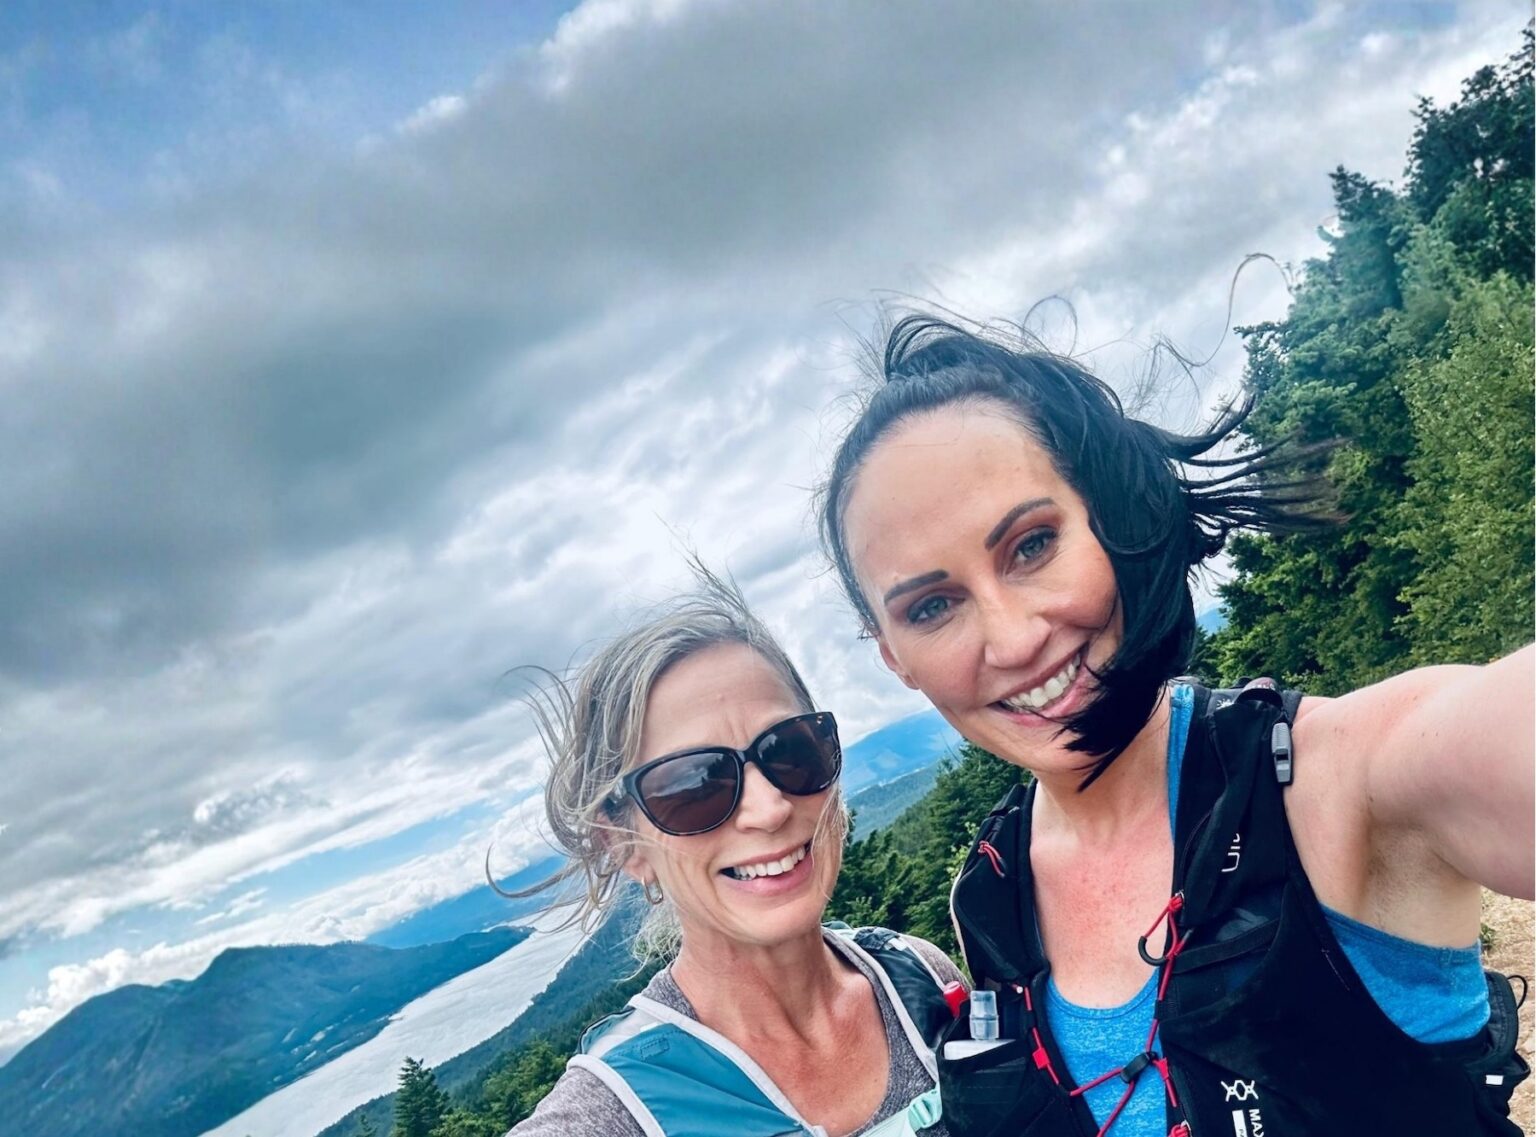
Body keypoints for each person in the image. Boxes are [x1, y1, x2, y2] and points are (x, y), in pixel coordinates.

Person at [816, 314, 1534, 1137]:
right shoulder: (990, 895)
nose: (1011, 640)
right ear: (894, 656)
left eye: (1033, 544)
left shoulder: (1333, 780)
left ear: (1108, 517)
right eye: (932, 606)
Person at [504, 568, 965, 1137]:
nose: (769, 808)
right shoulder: (614, 1113)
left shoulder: (918, 979)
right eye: (694, 784)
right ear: (623, 845)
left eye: (791, 750)